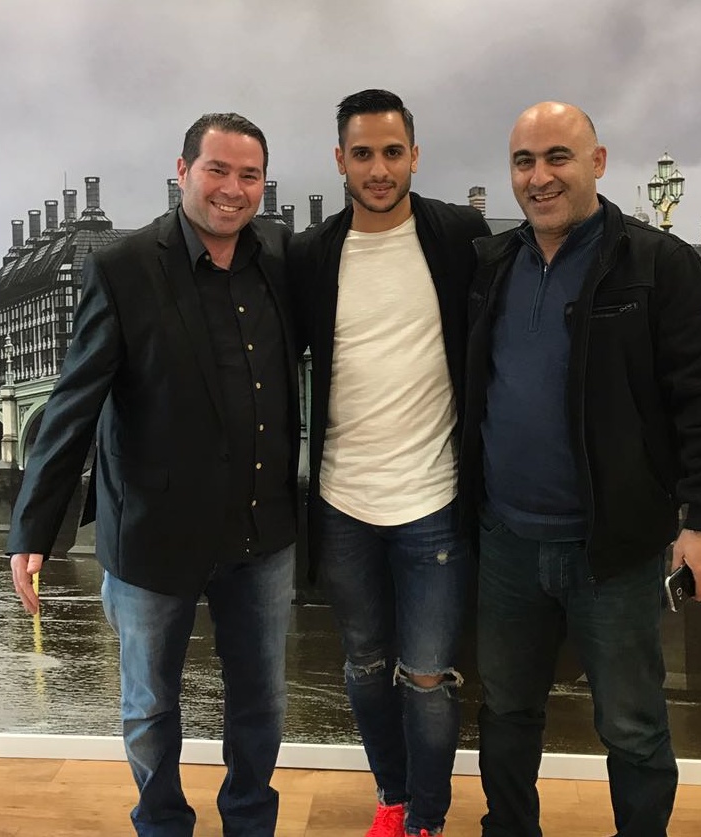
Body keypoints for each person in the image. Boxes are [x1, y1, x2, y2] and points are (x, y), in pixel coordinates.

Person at [8, 112, 300, 837]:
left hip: (260, 529)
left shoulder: (278, 254)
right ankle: (163, 822)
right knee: (148, 703)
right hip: (154, 528)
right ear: (183, 171)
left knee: (261, 700)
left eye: (249, 175)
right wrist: (34, 529)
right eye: (217, 170)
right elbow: (73, 404)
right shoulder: (125, 267)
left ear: (264, 183)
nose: (232, 188)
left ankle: (249, 821)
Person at [460, 101, 701, 836]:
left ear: (598, 161)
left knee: (631, 724)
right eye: (524, 161)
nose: (540, 176)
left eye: (557, 156)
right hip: (506, 542)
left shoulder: (657, 264)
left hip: (613, 548)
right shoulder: (492, 265)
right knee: (505, 711)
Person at [289, 89, 490, 837]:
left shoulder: (459, 236)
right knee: (366, 665)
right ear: (340, 160)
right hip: (341, 500)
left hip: (433, 497)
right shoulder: (311, 254)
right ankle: (393, 797)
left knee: (429, 676)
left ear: (415, 156)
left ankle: (427, 821)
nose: (379, 169)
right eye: (363, 154)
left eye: (392, 152)